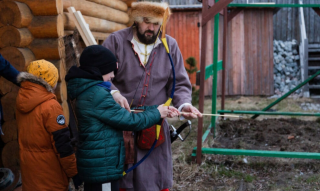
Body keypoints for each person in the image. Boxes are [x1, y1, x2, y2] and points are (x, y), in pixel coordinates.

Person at [102, 2, 202, 191]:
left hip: (154, 126)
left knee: (154, 181)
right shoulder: (115, 42)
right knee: (123, 181)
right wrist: (113, 92)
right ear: (137, 20)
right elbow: (99, 76)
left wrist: (184, 105)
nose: (152, 28)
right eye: (147, 22)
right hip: (121, 125)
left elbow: (179, 83)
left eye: (157, 23)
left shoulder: (169, 45)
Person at [65, 45, 179, 191]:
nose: (113, 75)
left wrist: (157, 109)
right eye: (110, 70)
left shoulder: (92, 91)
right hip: (103, 169)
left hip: (101, 165)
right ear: (98, 70)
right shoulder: (96, 94)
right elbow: (130, 121)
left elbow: (123, 113)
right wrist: (157, 114)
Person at [15, 60, 80, 191]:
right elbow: (62, 145)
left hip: (31, 177)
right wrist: (74, 173)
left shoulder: (21, 100)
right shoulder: (50, 106)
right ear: (49, 81)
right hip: (51, 178)